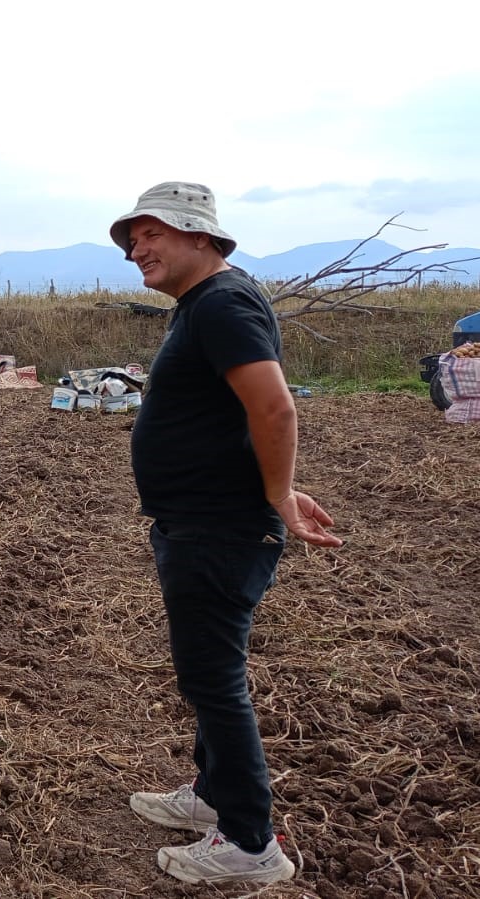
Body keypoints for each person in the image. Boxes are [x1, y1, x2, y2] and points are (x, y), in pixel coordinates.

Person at [110, 182, 342, 884]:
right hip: (200, 520)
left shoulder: (223, 302)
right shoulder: (204, 305)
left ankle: (248, 842)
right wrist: (273, 485)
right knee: (208, 673)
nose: (135, 251)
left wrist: (275, 493)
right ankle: (212, 795)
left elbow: (273, 408)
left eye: (149, 235)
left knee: (212, 679)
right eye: (129, 241)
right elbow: (240, 417)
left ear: (199, 236)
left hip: (218, 527)